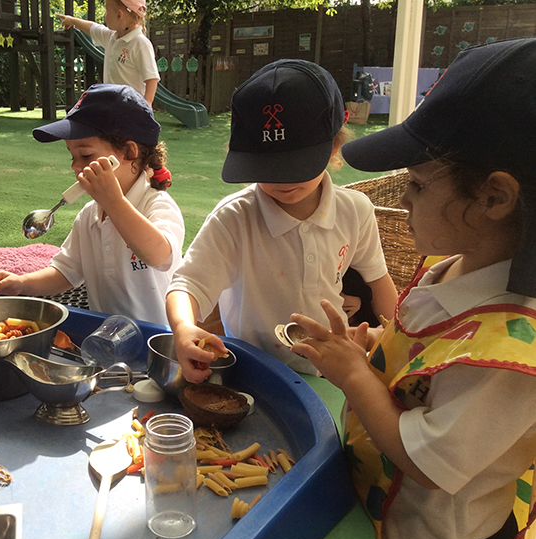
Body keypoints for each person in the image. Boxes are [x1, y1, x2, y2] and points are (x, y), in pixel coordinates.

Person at [289, 38, 536, 539]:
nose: (402, 199)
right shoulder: (453, 266)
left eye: (419, 185)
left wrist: (354, 376)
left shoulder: (512, 355)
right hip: (383, 513)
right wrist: (373, 351)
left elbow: (427, 464)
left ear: (495, 197)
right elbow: (425, 362)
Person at [166, 59, 397, 379]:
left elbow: (379, 281)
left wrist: (398, 338)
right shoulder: (234, 218)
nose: (282, 181)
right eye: (266, 167)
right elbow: (188, 285)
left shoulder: (355, 211)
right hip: (252, 370)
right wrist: (183, 326)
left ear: (334, 146)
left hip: (333, 369)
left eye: (296, 165)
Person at [0, 84, 184, 326]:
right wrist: (22, 283)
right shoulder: (89, 216)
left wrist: (114, 202)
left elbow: (159, 255)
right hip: (106, 334)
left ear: (129, 151)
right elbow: (66, 272)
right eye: (73, 156)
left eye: (86, 155)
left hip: (157, 339)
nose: (75, 166)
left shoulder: (157, 205)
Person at [57, 0, 159, 106]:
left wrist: (147, 103)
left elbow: (151, 78)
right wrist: (72, 21)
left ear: (119, 15)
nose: (105, 15)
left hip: (132, 107)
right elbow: (92, 28)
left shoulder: (140, 43)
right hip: (113, 105)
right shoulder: (111, 37)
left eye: (107, 10)